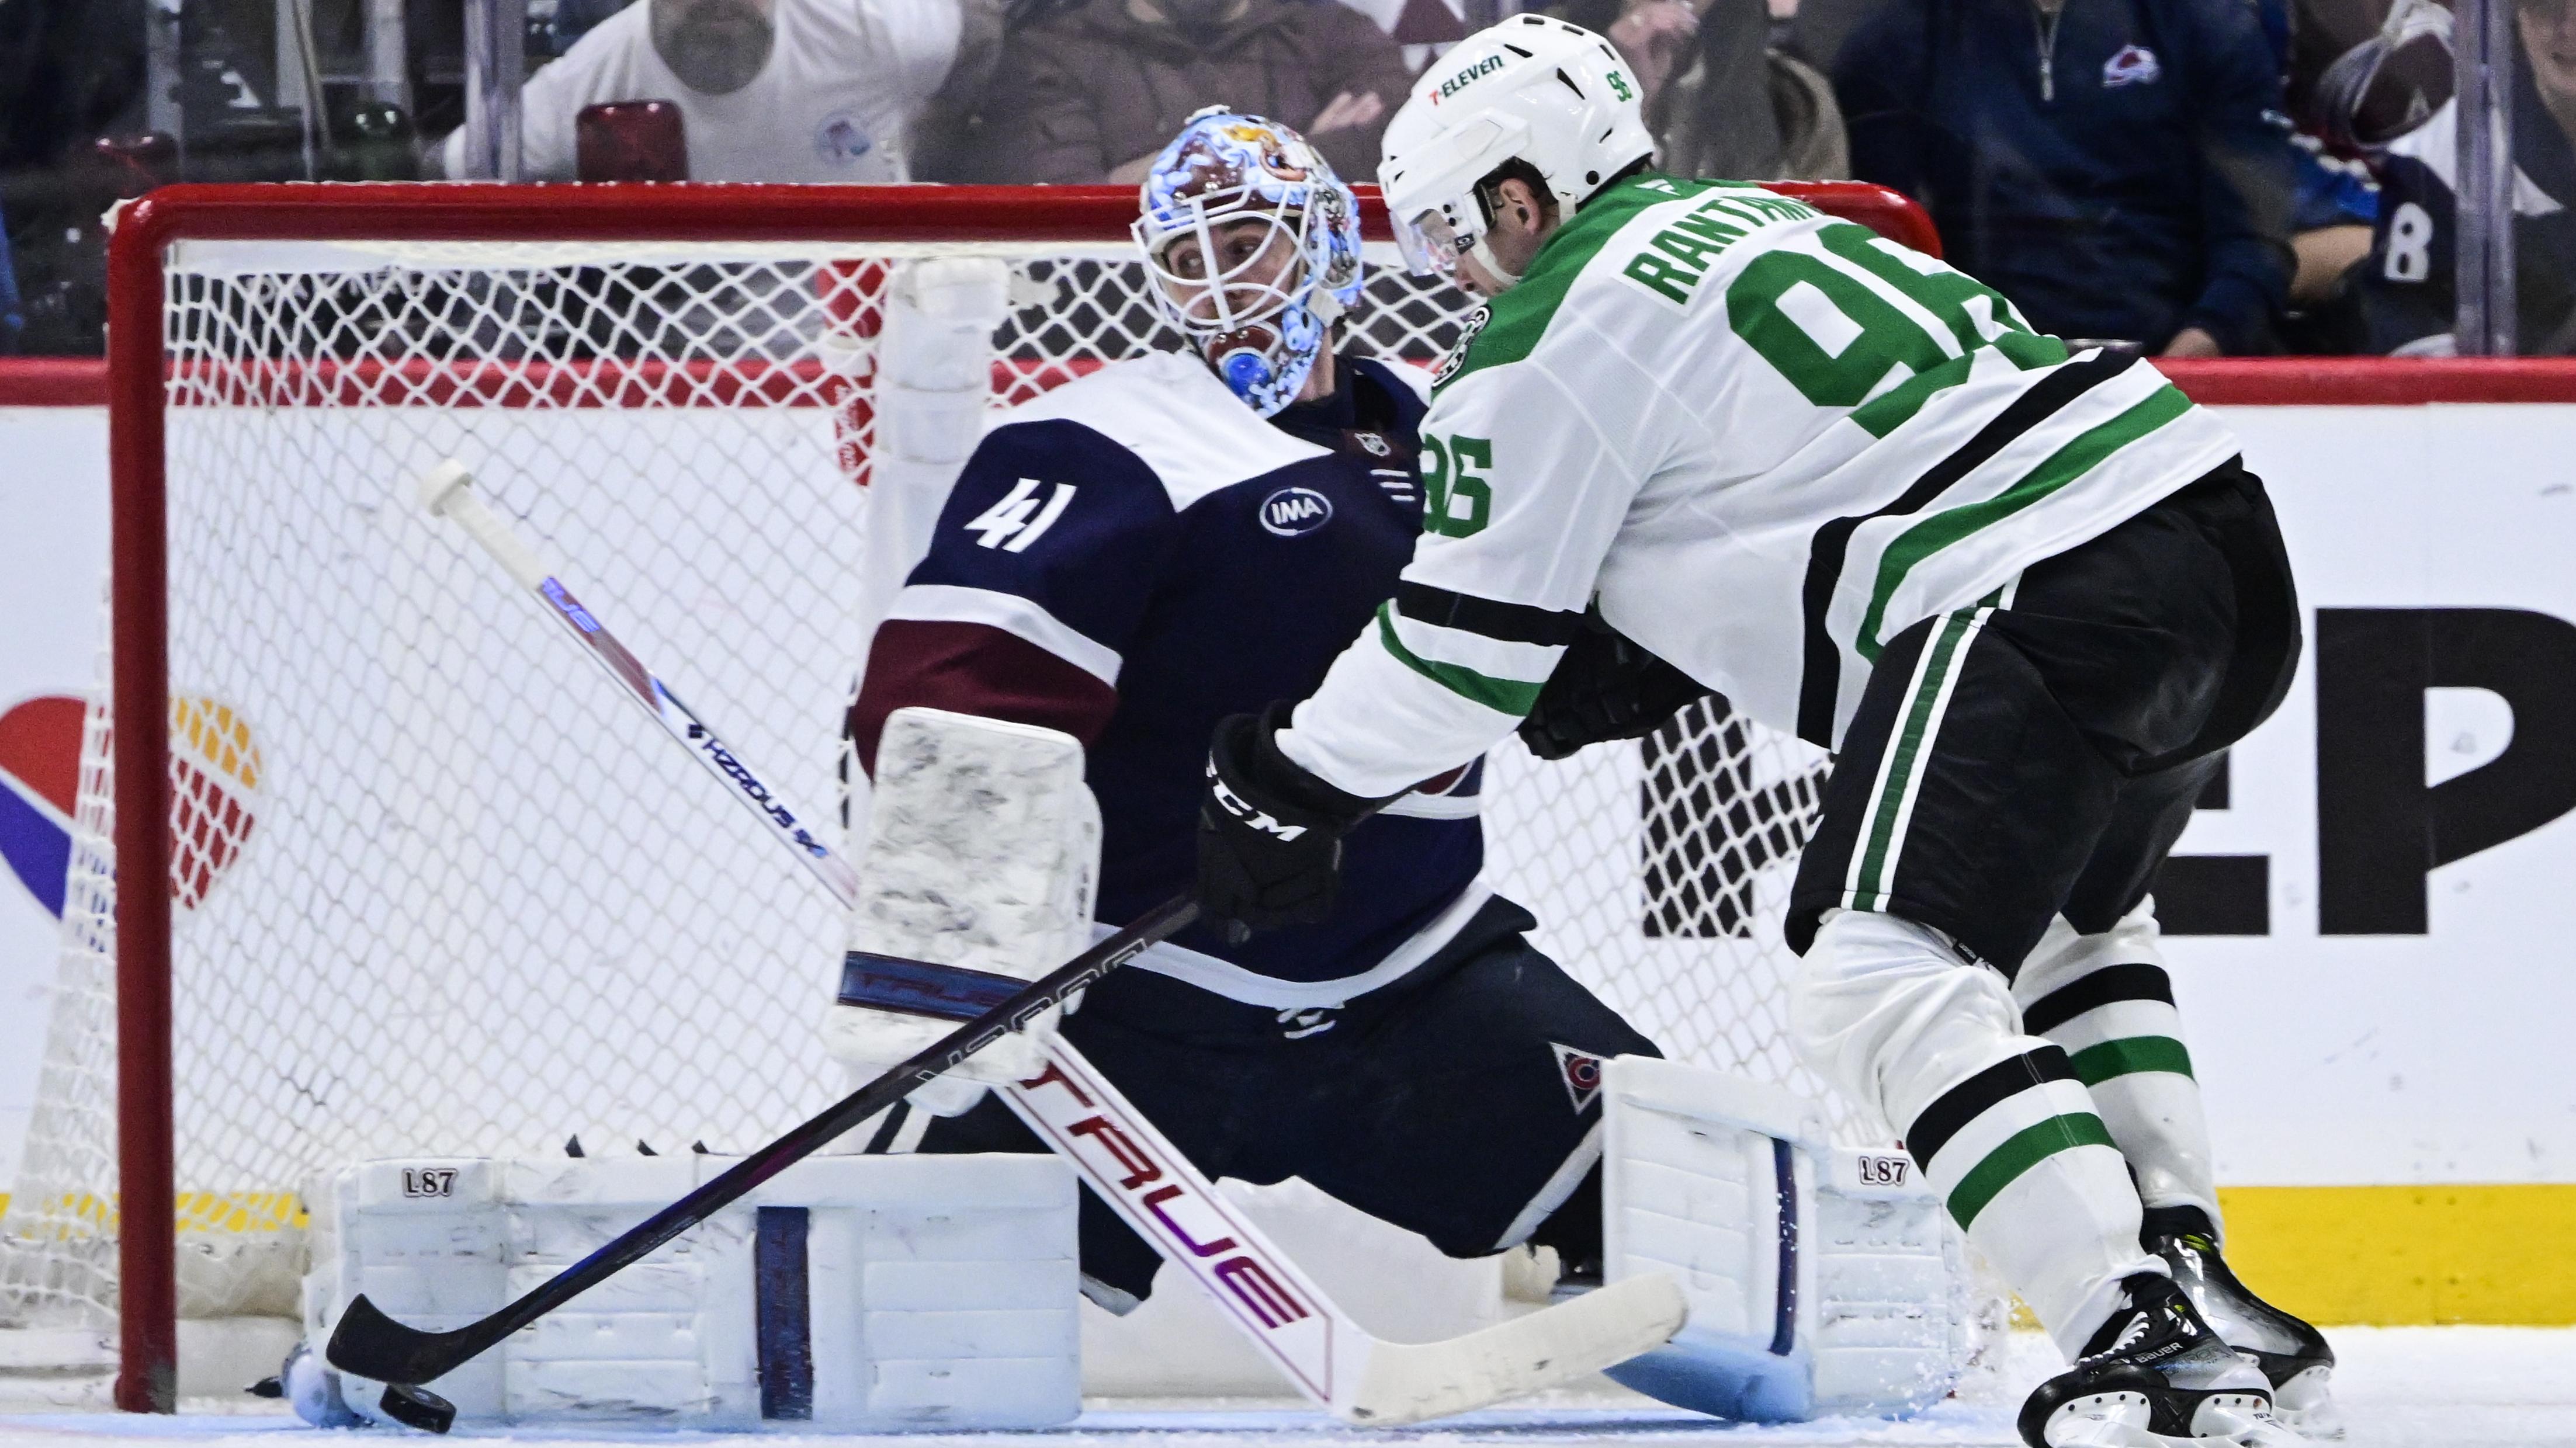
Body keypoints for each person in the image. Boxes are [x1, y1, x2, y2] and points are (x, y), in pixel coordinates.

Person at [1189, 18, 2342, 1446]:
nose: (1454, 274)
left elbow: (1453, 662)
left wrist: (1285, 780)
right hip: (2210, 537)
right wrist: (1648, 630)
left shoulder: (1548, 330)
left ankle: (2129, 1331)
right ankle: (2193, 1283)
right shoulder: (1749, 223)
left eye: (1449, 233)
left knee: (1871, 979)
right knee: (2071, 935)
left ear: (1516, 195)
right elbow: (1808, 484)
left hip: (2043, 584)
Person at [833, 110, 1659, 1329]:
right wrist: (953, 938)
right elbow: (947, 687)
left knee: (1704, 1220)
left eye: (1246, 242)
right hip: (1131, 1006)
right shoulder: (1103, 443)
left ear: (1326, 243)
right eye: (1186, 255)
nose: (1219, 283)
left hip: (1413, 989)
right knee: (896, 1333)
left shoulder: (1440, 427)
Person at [1830, 0, 2301, 357]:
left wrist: (2196, 353)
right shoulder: (1894, 42)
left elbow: (2253, 241)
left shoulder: (2206, 27)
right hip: (1973, 373)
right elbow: (1887, 256)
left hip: (2177, 366)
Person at [433, 0, 997, 182]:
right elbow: (451, 166)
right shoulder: (600, 71)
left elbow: (981, 35)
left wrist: (935, 146)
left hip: (862, 344)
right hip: (673, 365)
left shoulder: (872, 29)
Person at [941, 0, 1412, 185]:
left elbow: (1398, 152)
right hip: (1120, 326)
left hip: (1322, 312)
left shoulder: (1335, 34)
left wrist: (1151, 175)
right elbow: (1064, 203)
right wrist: (1297, 151)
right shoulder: (1049, 52)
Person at [2353, 0, 2576, 353]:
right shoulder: (2443, 151)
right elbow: (2410, 350)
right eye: (2546, 5)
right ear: (2516, 16)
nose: (2570, 29)